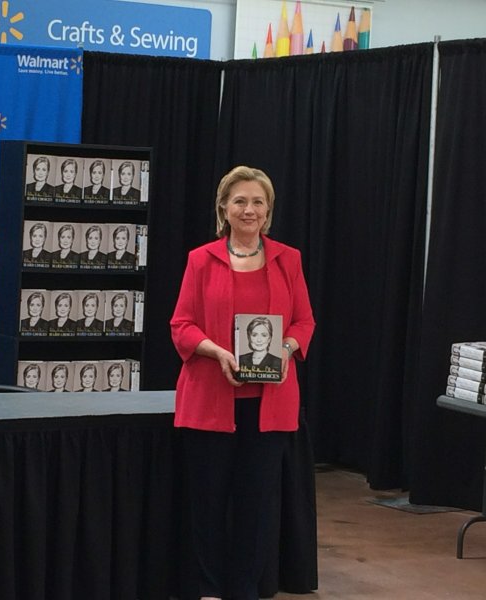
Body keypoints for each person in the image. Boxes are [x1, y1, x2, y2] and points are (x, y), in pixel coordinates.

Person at [170, 165, 315, 600]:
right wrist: (216, 352)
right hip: (211, 401)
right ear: (224, 208)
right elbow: (181, 324)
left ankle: (245, 589)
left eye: (257, 202)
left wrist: (287, 348)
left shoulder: (289, 259)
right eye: (240, 201)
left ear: (268, 211)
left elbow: (305, 321)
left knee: (256, 507)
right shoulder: (201, 259)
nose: (248, 209)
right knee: (209, 504)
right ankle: (210, 589)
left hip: (269, 405)